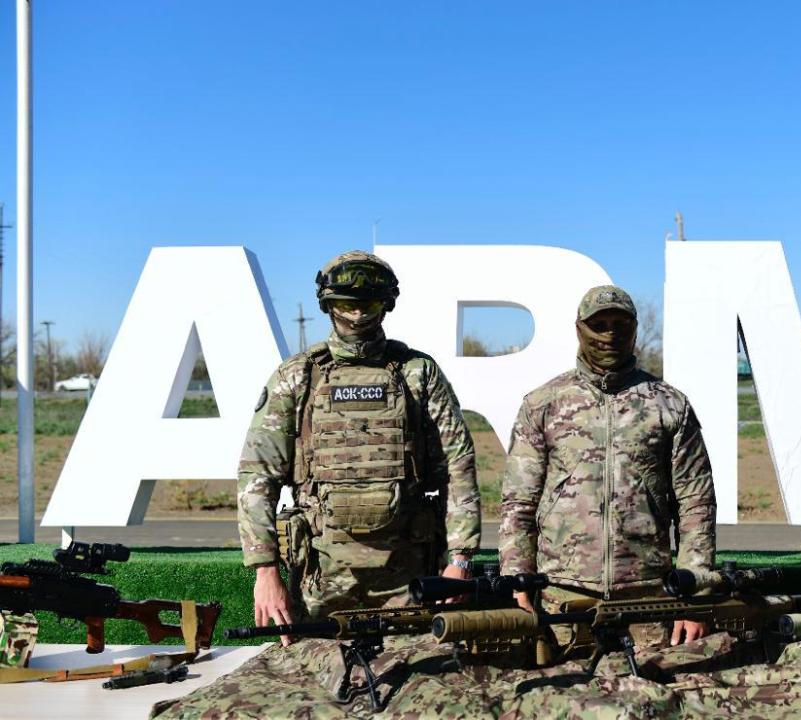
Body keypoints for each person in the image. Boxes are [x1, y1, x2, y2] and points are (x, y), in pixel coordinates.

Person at [238, 250, 480, 637]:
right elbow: (258, 475)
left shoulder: (417, 372)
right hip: (320, 579)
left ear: (386, 304)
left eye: (368, 304)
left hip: (410, 580)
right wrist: (264, 571)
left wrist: (461, 560)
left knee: (424, 670)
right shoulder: (298, 376)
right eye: (347, 303)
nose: (357, 314)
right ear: (328, 304)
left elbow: (458, 466)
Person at [499, 285, 716, 646]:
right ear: (579, 329)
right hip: (563, 599)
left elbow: (696, 503)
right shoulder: (543, 404)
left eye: (620, 325)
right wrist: (516, 582)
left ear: (634, 329)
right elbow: (519, 504)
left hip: (648, 599)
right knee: (563, 683)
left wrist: (694, 592)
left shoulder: (669, 405)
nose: (609, 335)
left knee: (652, 683)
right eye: (599, 325)